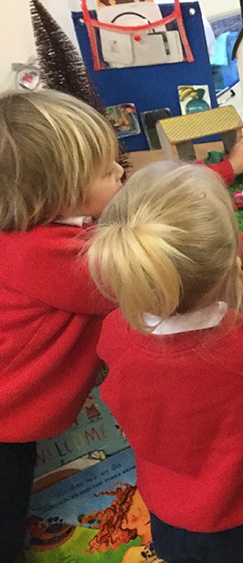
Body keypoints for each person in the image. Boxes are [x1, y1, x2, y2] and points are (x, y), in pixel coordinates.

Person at [88, 161, 243, 563]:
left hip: (166, 513)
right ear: (232, 266)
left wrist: (218, 252)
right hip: (242, 520)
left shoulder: (114, 332)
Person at [0, 89, 123, 562]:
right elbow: (145, 270)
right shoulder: (56, 258)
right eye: (107, 172)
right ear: (62, 192)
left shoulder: (28, 234)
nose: (121, 174)